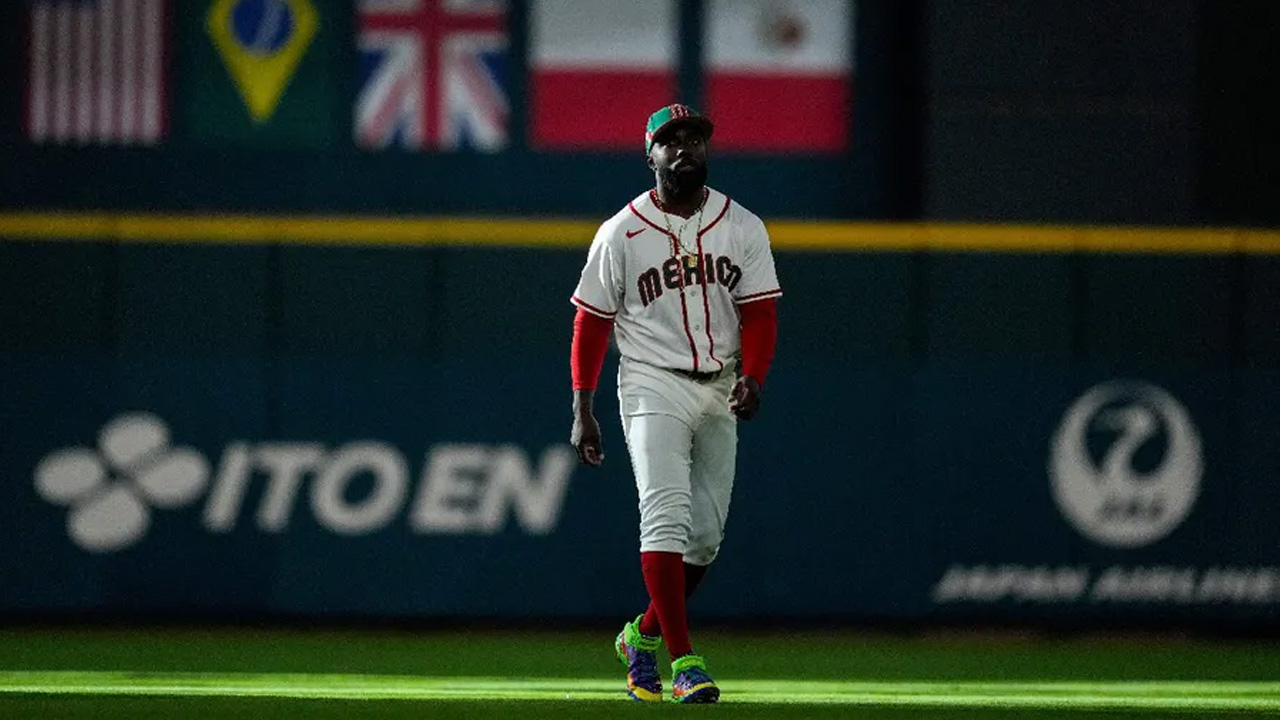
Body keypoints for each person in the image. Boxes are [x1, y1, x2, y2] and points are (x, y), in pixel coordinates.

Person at [568, 104, 781, 704]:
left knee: (705, 539)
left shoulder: (742, 225)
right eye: (671, 140)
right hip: (650, 380)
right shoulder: (621, 231)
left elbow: (761, 313)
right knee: (665, 516)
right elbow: (591, 321)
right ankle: (685, 661)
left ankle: (641, 637)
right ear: (650, 155)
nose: (685, 147)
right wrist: (584, 406)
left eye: (694, 138)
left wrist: (755, 377)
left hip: (719, 383)